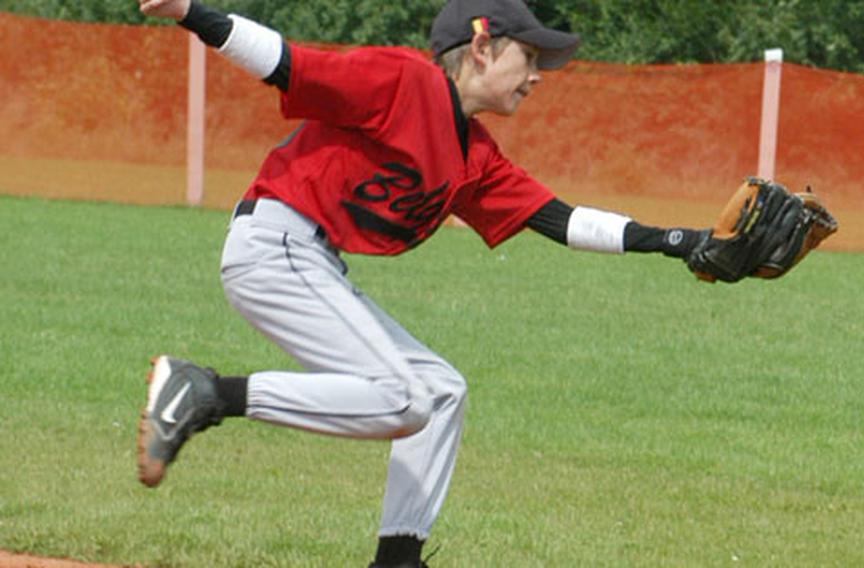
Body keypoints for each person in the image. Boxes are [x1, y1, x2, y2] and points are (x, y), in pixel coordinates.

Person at [135, 0, 706, 565]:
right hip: (274, 246)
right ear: (482, 48)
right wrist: (189, 10)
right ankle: (206, 392)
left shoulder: (475, 153)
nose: (536, 75)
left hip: (306, 258)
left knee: (440, 391)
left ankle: (397, 558)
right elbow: (286, 63)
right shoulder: (404, 81)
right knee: (403, 399)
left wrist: (678, 241)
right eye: (528, 55)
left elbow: (560, 219)